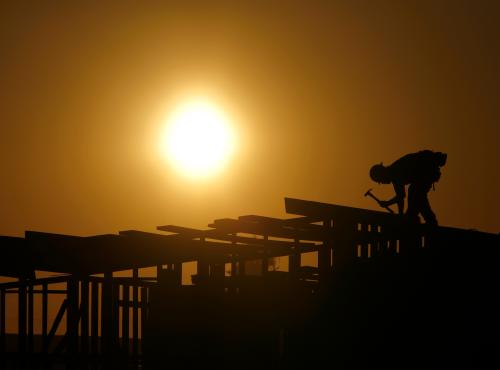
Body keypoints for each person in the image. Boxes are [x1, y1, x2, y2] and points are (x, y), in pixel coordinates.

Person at [369, 150, 447, 226]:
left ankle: (425, 221)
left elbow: (401, 196)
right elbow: (400, 197)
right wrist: (400, 215)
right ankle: (427, 221)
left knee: (414, 193)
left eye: (380, 181)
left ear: (381, 174)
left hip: (427, 168)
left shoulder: (395, 173)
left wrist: (387, 203)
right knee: (417, 198)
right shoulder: (394, 174)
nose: (382, 183)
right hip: (426, 171)